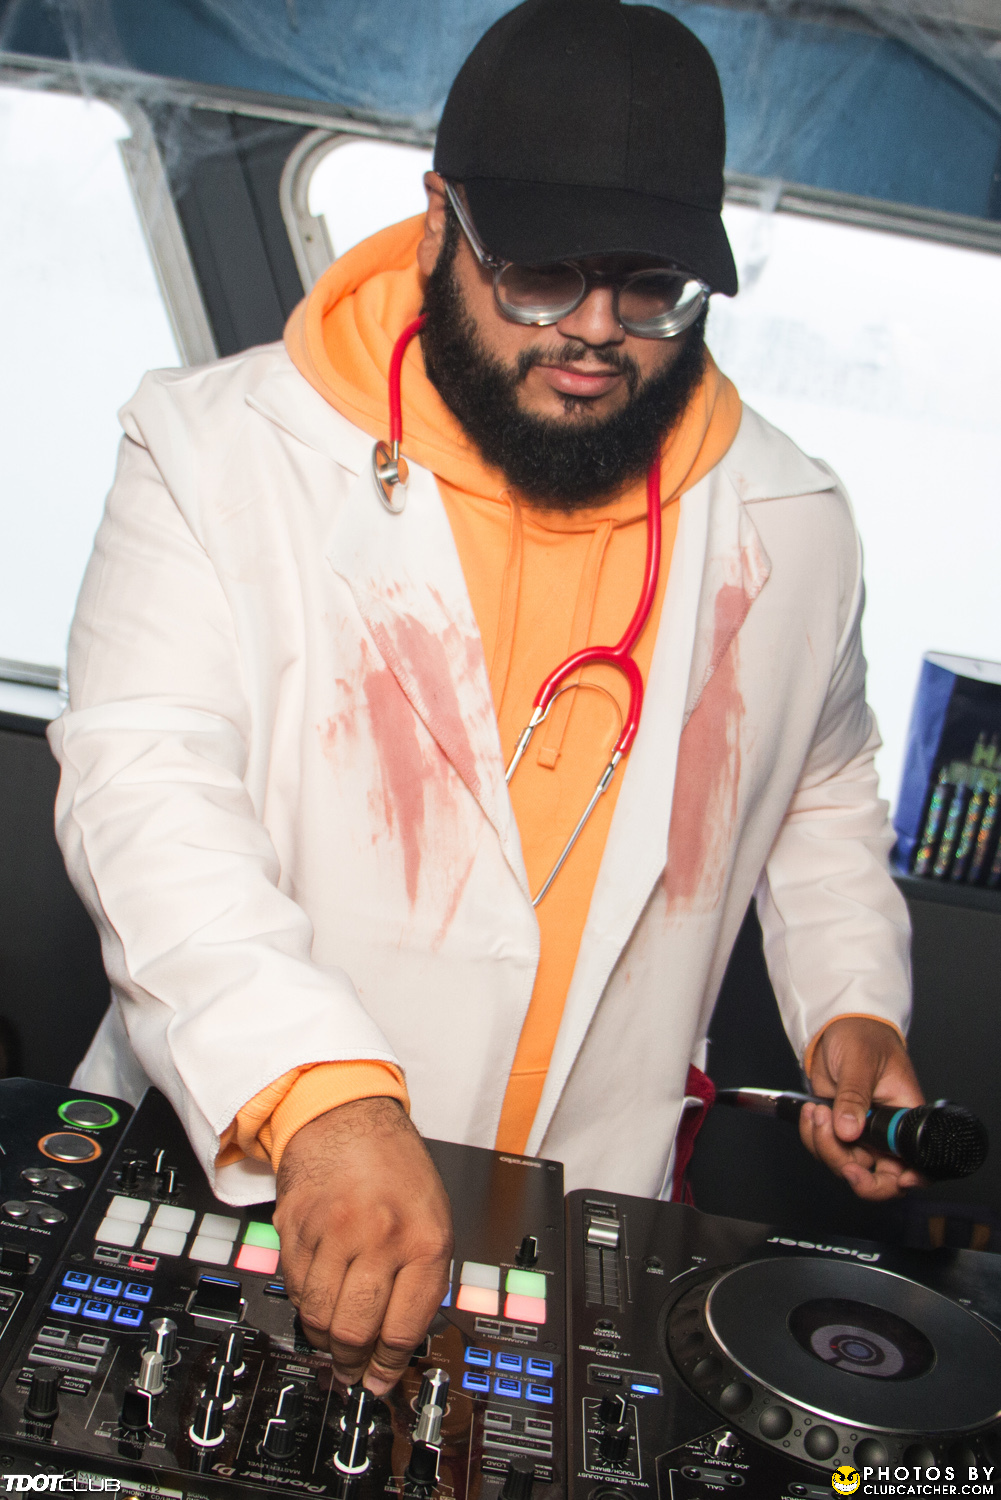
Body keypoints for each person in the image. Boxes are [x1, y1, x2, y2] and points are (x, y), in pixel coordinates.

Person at [50, 0, 923, 1401]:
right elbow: (145, 787)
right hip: (251, 1158)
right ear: (436, 221)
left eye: (650, 288)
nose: (594, 333)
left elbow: (822, 785)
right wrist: (319, 1093)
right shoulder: (216, 452)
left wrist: (851, 1006)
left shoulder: (794, 521)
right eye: (539, 275)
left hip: (573, 1222)